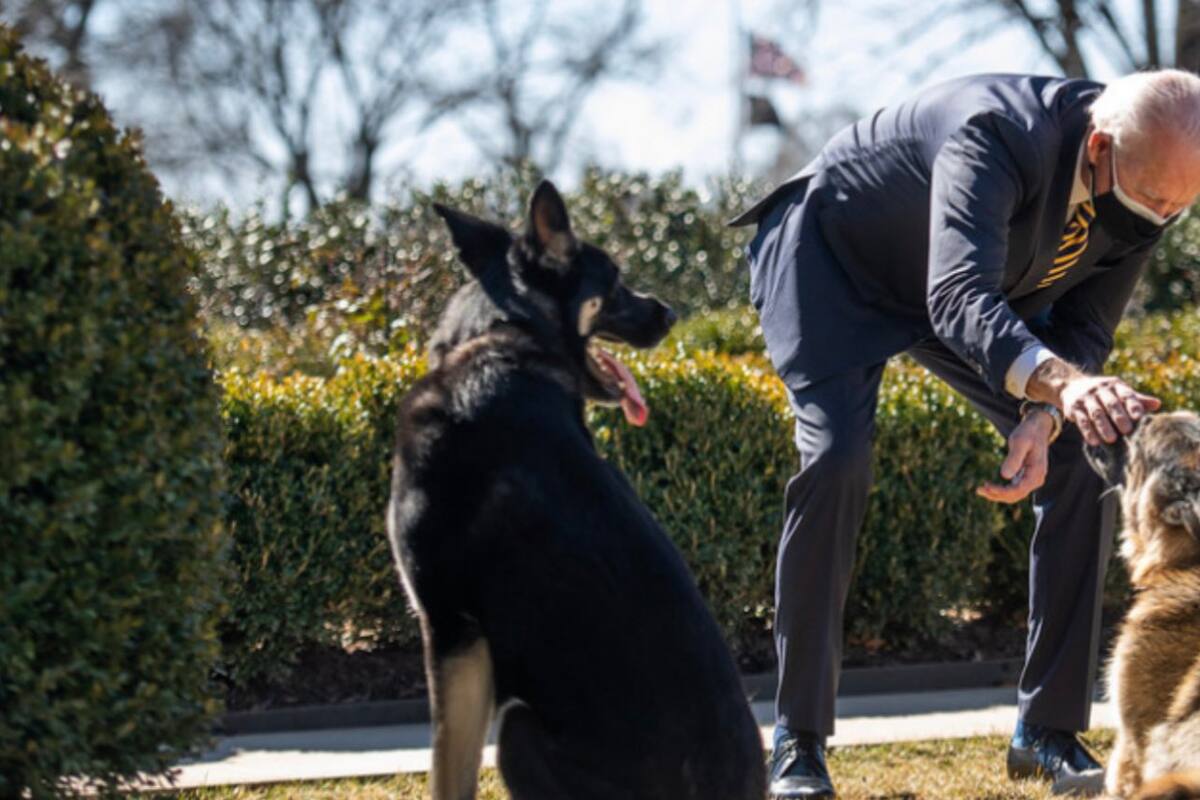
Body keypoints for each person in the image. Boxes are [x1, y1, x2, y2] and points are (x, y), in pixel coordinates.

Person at [729, 70, 1200, 799]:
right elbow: (956, 296)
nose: (1160, 216)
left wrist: (1048, 414)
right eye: (1153, 197)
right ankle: (798, 742)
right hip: (831, 263)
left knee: (1088, 443)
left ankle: (1044, 731)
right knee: (837, 460)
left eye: (1178, 206)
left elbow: (1087, 326)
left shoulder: (1147, 175)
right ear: (1101, 148)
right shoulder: (997, 133)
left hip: (956, 292)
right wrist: (1063, 384)